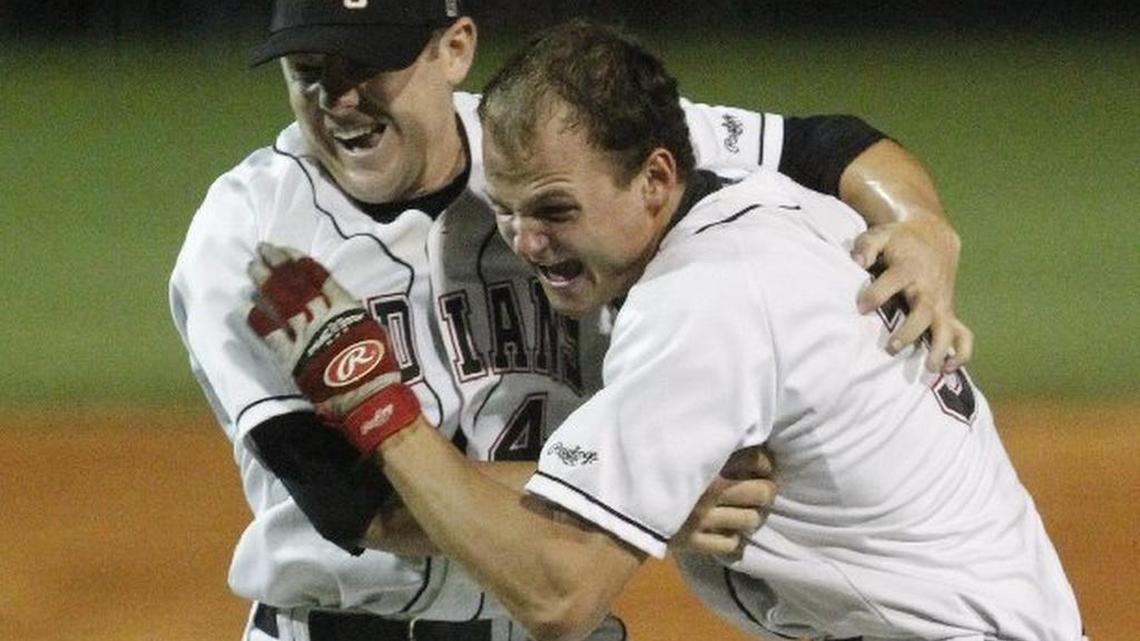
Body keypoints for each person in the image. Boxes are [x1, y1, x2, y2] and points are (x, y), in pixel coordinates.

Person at [242, 19, 1083, 641]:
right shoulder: (763, 207)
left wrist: (377, 407)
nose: (525, 244)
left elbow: (560, 594)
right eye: (505, 211)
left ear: (654, 178)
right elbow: (830, 144)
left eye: (555, 210)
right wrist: (925, 222)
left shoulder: (703, 303)